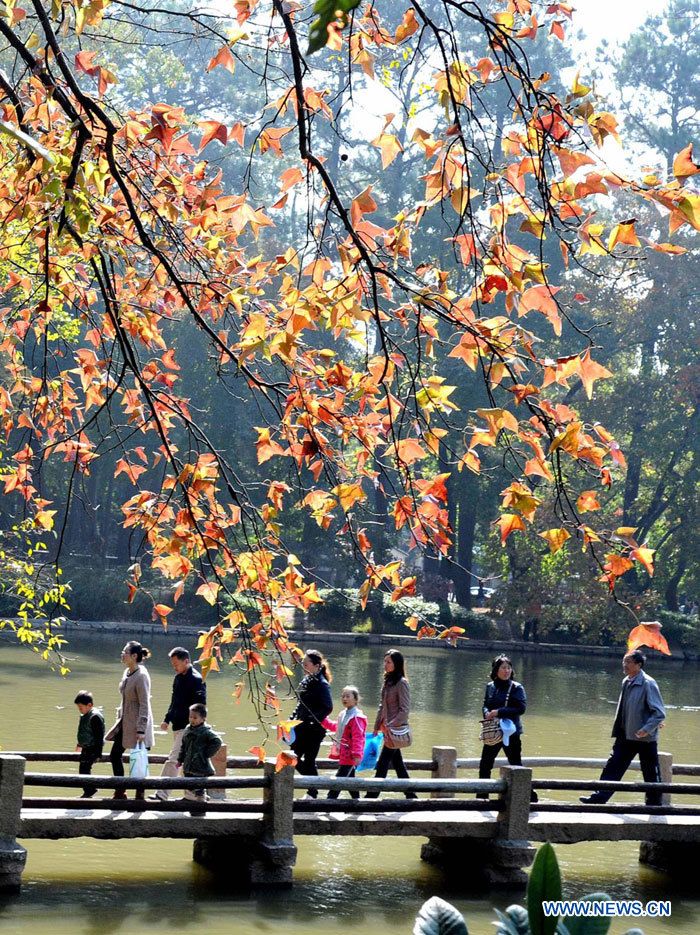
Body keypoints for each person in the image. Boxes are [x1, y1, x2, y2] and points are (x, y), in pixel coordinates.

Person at [580, 650, 666, 806]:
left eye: (628, 662)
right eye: (624, 661)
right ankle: (599, 798)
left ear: (638, 665)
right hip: (625, 735)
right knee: (613, 766)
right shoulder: (626, 681)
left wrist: (646, 729)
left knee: (650, 772)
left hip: (644, 738)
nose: (624, 665)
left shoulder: (648, 683)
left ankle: (654, 805)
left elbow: (659, 713)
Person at [478, 655, 538, 802]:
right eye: (503, 668)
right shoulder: (490, 686)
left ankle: (530, 797)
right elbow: (486, 704)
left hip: (511, 733)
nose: (506, 671)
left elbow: (521, 708)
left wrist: (499, 712)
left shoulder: (517, 687)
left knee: (516, 764)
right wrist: (486, 712)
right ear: (496, 670)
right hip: (493, 732)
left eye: (508, 668)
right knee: (485, 764)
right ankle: (481, 798)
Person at [150, 646, 206, 802]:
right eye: (172, 664)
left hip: (189, 728)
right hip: (178, 725)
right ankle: (192, 796)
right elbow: (175, 702)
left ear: (186, 661)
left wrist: (195, 727)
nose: (174, 667)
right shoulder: (178, 678)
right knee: (186, 762)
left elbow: (201, 706)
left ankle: (161, 794)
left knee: (173, 759)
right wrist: (167, 719)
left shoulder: (196, 679)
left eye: (176, 664)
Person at [105, 640, 155, 800]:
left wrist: (141, 729)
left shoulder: (141, 676)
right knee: (115, 755)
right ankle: (120, 791)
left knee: (139, 757)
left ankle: (140, 796)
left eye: (125, 652)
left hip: (138, 725)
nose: (122, 655)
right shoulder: (127, 672)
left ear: (134, 656)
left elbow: (144, 704)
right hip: (125, 722)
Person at [366, 649, 415, 799]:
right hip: (387, 731)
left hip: (395, 731)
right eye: (385, 661)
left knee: (382, 764)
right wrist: (376, 726)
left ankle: (370, 798)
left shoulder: (402, 683)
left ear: (397, 664)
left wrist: (391, 725)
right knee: (398, 765)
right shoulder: (388, 682)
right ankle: (411, 796)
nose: (385, 664)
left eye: (388, 662)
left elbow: (404, 710)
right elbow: (382, 706)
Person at [290, 649, 333, 799]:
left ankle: (313, 791)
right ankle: (313, 789)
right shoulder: (307, 680)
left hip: (314, 730)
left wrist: (311, 720)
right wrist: (291, 720)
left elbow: (328, 707)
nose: (303, 666)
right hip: (301, 728)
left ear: (316, 665)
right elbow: (300, 704)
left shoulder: (322, 683)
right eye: (303, 663)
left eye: (306, 663)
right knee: (292, 758)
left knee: (307, 760)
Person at [321, 685, 367, 799]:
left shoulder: (357, 717)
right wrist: (323, 720)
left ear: (356, 699)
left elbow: (358, 738)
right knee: (350, 781)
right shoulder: (343, 714)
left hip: (350, 755)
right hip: (344, 753)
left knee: (339, 781)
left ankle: (328, 803)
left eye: (347, 696)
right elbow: (337, 728)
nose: (344, 699)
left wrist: (357, 754)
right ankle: (358, 804)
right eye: (343, 696)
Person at [177, 703, 222, 801]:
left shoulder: (205, 732)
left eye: (195, 718)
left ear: (203, 719)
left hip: (200, 764)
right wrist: (180, 760)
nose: (192, 720)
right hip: (188, 763)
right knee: (189, 784)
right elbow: (183, 746)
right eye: (190, 717)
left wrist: (207, 753)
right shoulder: (188, 730)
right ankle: (198, 799)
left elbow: (217, 741)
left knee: (199, 787)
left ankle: (200, 807)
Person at [74, 690, 105, 799]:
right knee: (83, 769)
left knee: (85, 769)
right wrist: (79, 745)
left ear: (89, 705)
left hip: (92, 748)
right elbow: (84, 732)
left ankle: (90, 790)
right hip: (86, 747)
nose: (80, 710)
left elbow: (99, 737)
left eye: (81, 707)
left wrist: (98, 753)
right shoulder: (86, 715)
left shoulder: (94, 717)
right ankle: (89, 790)